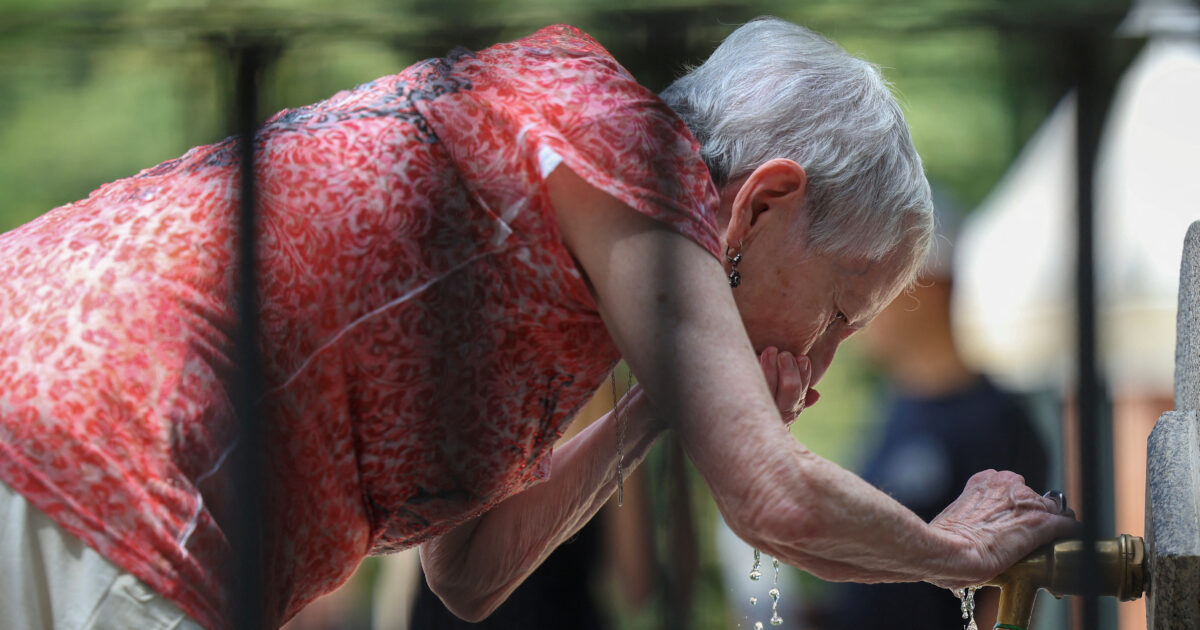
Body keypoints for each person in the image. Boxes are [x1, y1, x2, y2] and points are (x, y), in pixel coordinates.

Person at [0, 17, 1078, 630]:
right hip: (114, 459)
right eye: (838, 309)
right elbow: (775, 500)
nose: (824, 360)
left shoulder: (555, 205)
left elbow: (468, 572)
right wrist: (958, 553)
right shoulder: (634, 158)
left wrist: (658, 409)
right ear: (761, 203)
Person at [818, 198, 1051, 629]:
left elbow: (1011, 595)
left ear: (929, 283)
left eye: (869, 278)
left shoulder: (998, 422)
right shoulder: (895, 405)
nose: (851, 303)